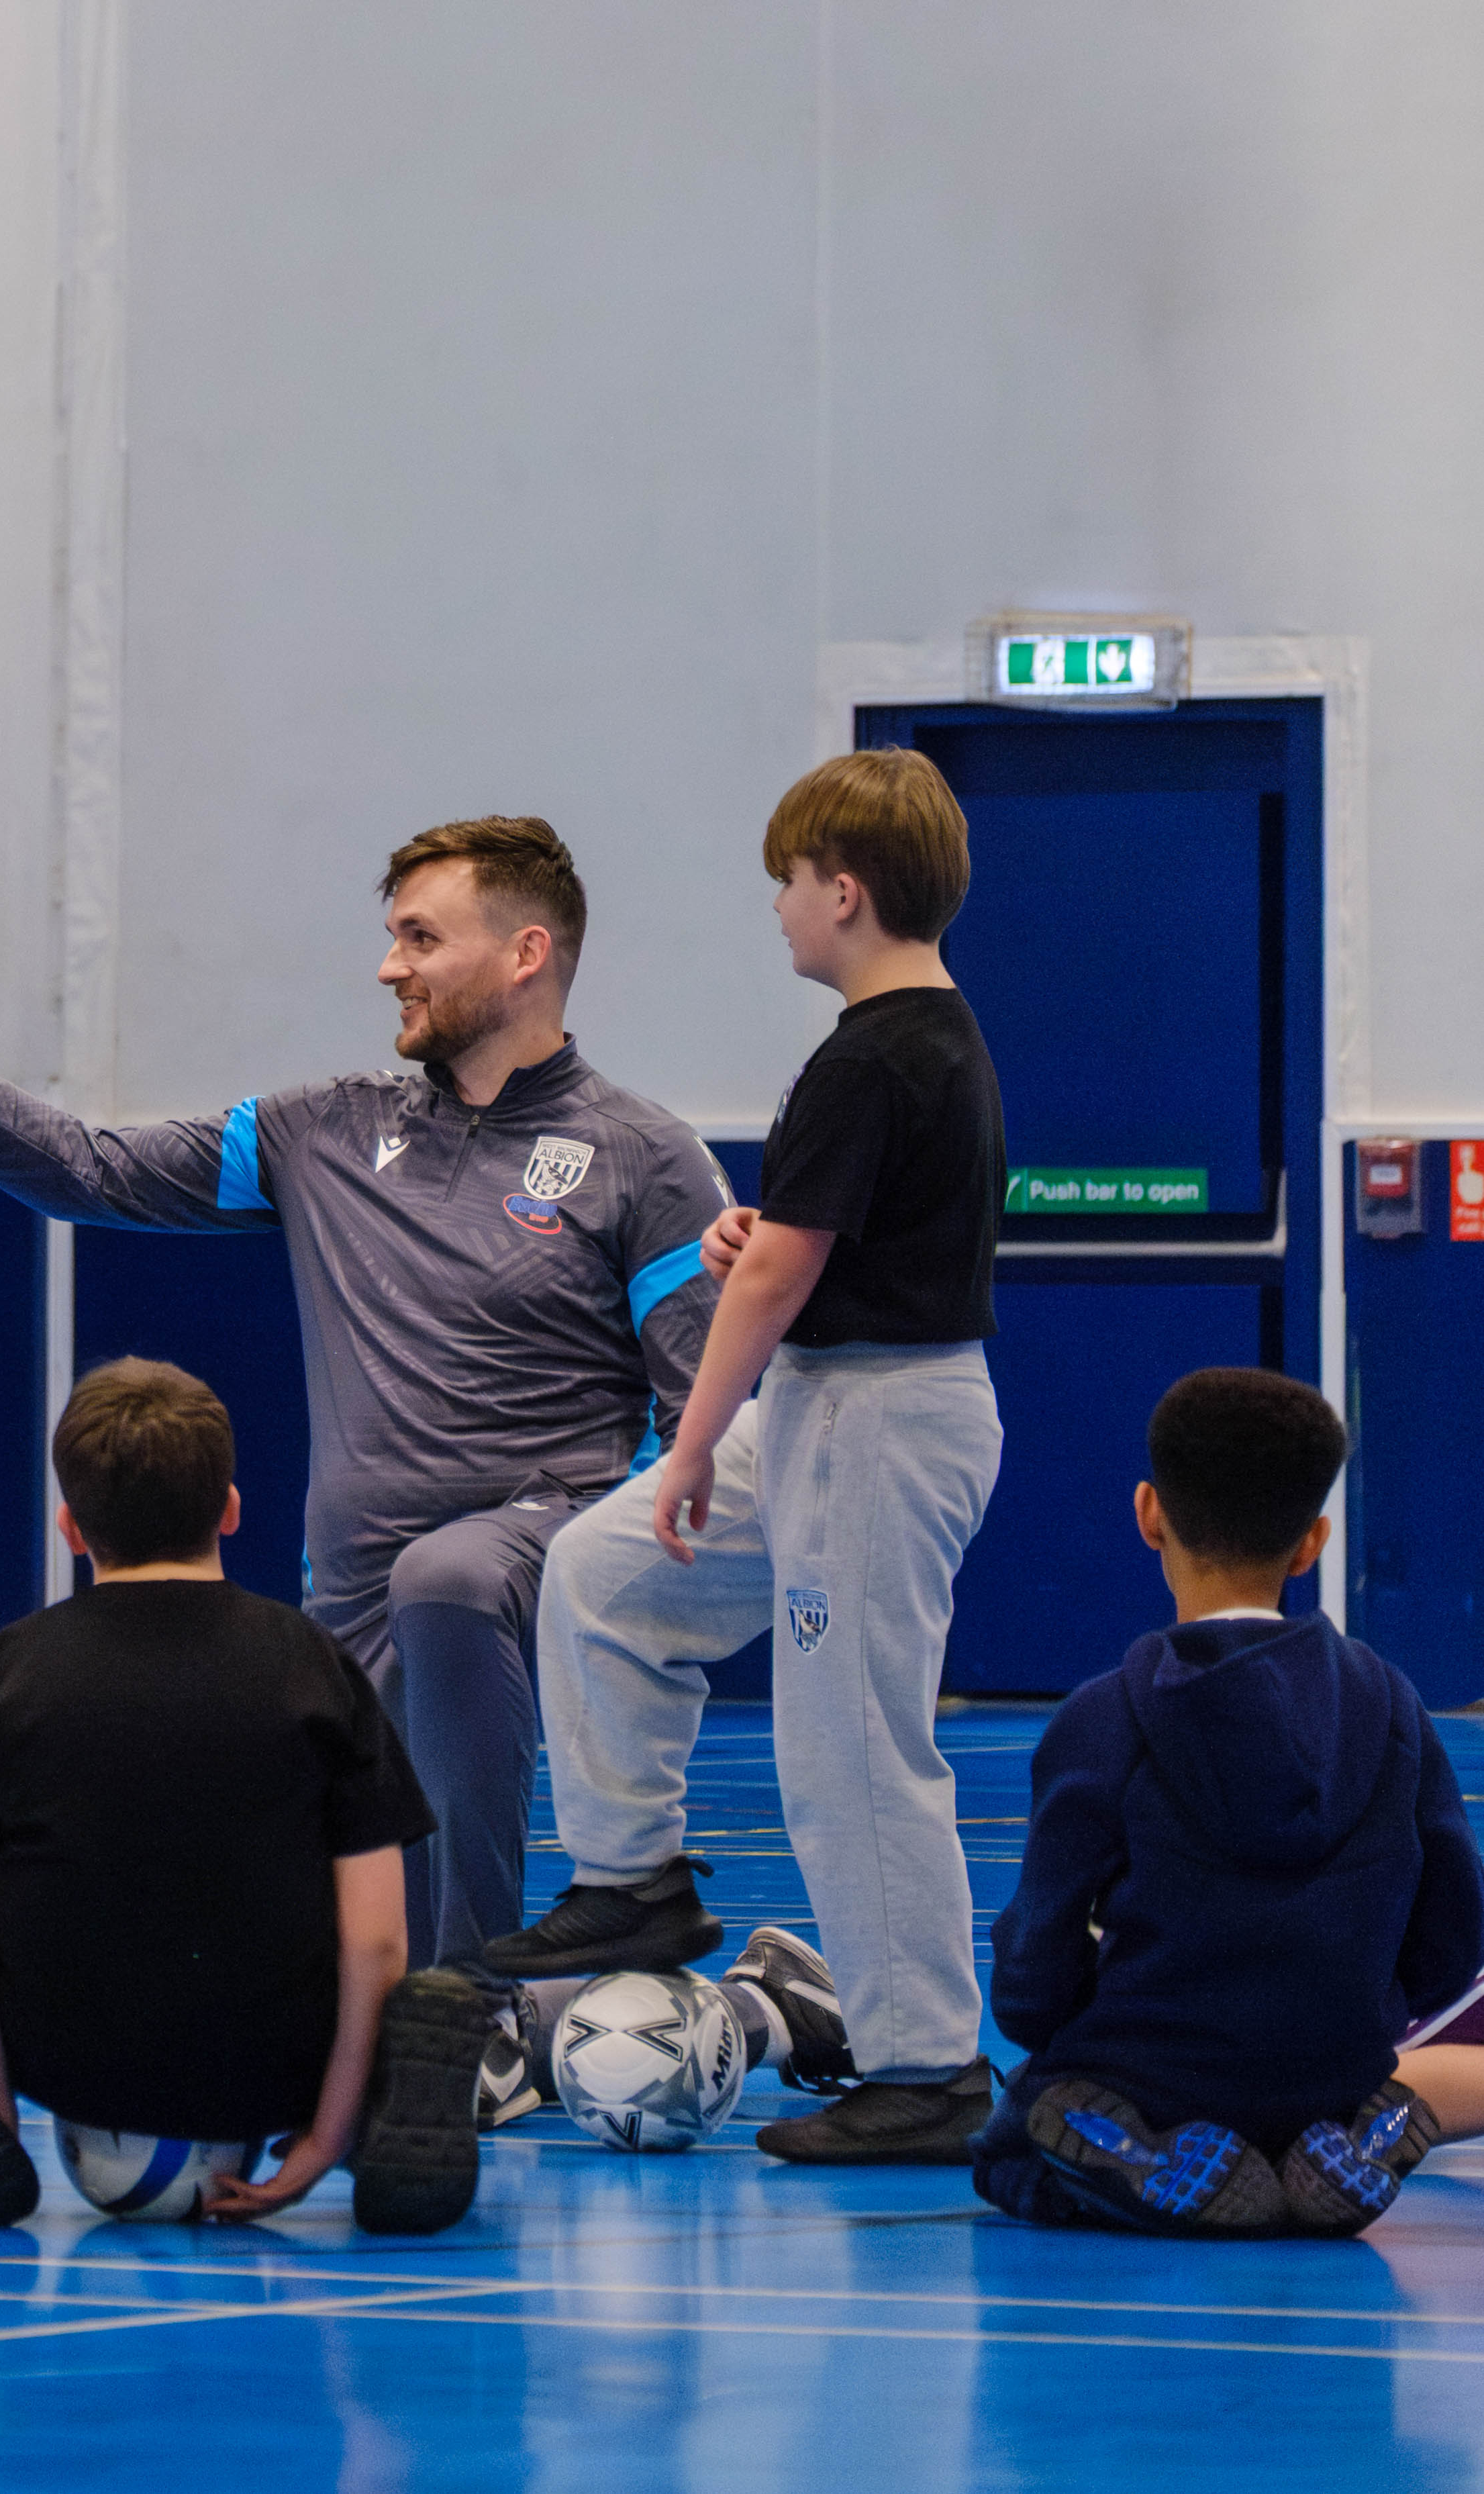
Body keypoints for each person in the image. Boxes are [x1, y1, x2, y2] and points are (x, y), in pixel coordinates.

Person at [0, 818, 732, 1970]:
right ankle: (729, 2005)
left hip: (542, 1559)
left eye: (419, 937)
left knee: (445, 1579)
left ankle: (472, 2008)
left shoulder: (646, 1157)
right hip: (355, 1598)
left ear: (523, 955)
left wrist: (616, 1568)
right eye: (392, 937)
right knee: (330, 1945)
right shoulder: (319, 1133)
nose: (389, 966)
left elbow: (704, 1412)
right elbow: (83, 1167)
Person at [487, 748, 1009, 2166]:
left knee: (848, 1743)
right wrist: (758, 1241)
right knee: (600, 1574)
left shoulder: (877, 1049)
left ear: (840, 891)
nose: (773, 908)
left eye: (784, 882)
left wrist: (693, 1439)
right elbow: (805, 1241)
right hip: (841, 1404)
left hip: (868, 1423)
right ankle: (632, 1877)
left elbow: (777, 1278)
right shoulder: (912, 1043)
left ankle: (926, 2068)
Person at [0, 1358, 488, 2233]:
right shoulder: (314, 1660)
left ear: (70, 1526)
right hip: (271, 2062)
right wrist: (322, 2135)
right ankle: (383, 2119)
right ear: (229, 1508)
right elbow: (375, 1935)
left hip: (67, 2060)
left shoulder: (1, 1671)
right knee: (412, 1997)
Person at [973, 1370, 1481, 2236]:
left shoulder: (1106, 1715)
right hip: (1334, 2076)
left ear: (1148, 1512)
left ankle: (1140, 2159)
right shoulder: (1394, 1705)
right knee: (1337, 2090)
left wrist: (1062, 2024)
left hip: (1155, 2076)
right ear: (1313, 1541)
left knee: (1015, 2137)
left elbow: (1035, 1959)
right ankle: (1363, 2129)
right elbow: (1453, 1940)